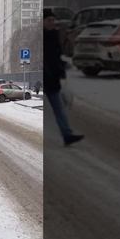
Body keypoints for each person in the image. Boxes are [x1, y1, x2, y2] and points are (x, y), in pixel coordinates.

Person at [44, 9, 84, 147]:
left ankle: (67, 135)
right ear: (43, 22)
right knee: (57, 109)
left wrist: (63, 66)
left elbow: (55, 57)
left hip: (53, 79)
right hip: (47, 79)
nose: (52, 22)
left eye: (53, 20)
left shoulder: (54, 36)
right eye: (49, 20)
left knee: (59, 109)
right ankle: (66, 134)